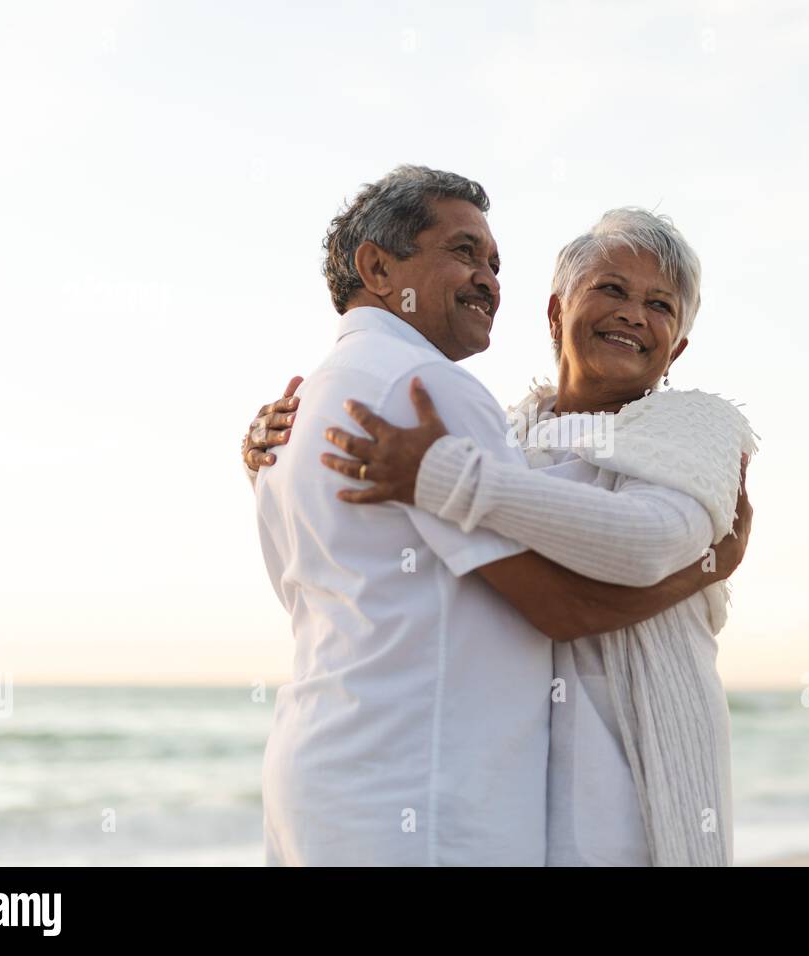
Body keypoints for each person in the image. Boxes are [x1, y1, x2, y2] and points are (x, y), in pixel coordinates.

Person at [244, 166, 749, 866]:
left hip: (620, 778)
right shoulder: (469, 414)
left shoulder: (695, 427)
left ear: (679, 349)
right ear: (555, 313)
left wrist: (700, 559)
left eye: (661, 305)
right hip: (454, 794)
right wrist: (710, 565)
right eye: (610, 288)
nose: (634, 313)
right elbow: (560, 607)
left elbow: (647, 540)